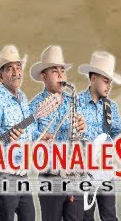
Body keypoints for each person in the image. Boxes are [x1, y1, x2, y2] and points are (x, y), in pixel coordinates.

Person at [74, 52, 121, 221]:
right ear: (92, 79)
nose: (109, 86)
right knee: (85, 217)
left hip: (106, 172)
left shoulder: (110, 106)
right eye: (105, 81)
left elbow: (119, 136)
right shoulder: (75, 103)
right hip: (85, 172)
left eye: (110, 82)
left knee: (110, 216)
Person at [28, 46, 87, 221]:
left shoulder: (73, 102)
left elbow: (81, 137)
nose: (61, 75)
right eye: (55, 71)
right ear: (43, 76)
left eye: (62, 71)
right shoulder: (35, 105)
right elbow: (28, 136)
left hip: (74, 175)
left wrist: (83, 127)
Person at [0, 46, 42, 221]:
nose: (16, 72)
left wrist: (40, 136)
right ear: (1, 77)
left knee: (30, 217)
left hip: (22, 175)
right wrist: (7, 137)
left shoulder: (23, 98)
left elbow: (29, 131)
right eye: (10, 69)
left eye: (18, 67)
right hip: (3, 176)